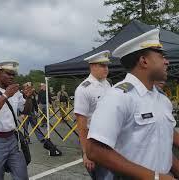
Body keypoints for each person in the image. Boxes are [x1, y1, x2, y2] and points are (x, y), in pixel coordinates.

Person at [86, 29, 178, 179]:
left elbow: (162, 146)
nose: (166, 61)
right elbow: (94, 150)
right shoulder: (118, 96)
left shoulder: (162, 100)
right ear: (144, 61)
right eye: (161, 56)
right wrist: (154, 177)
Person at [74, 50, 112, 179]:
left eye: (107, 65)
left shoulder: (108, 84)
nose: (106, 68)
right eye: (102, 65)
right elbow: (81, 124)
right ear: (92, 66)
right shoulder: (83, 89)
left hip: (110, 139)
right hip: (94, 141)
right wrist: (86, 153)